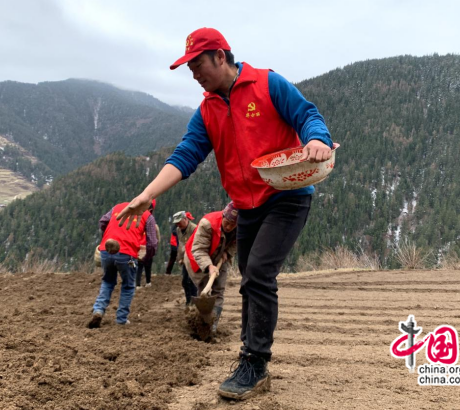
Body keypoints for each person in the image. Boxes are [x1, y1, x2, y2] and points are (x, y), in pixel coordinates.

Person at [115, 27, 333, 400]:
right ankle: (251, 358)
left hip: (287, 194)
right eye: (189, 68)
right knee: (250, 277)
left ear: (220, 56)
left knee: (259, 274)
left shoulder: (267, 84)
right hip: (246, 207)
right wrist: (146, 195)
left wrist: (317, 139)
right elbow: (185, 156)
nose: (194, 73)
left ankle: (255, 364)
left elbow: (307, 115)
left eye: (198, 63)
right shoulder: (207, 110)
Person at [88, 201, 157, 328]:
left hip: (106, 250)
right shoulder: (148, 216)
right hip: (128, 254)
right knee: (128, 285)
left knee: (107, 281)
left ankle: (98, 310)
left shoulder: (117, 207)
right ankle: (121, 319)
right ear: (150, 208)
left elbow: (103, 222)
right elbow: (152, 243)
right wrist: (146, 258)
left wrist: (108, 235)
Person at [184, 202, 237, 335]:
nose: (229, 227)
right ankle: (201, 324)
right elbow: (198, 249)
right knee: (204, 287)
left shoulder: (241, 226)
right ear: (223, 215)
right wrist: (209, 266)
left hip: (220, 256)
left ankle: (212, 326)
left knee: (218, 290)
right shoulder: (207, 224)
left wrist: (227, 252)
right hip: (197, 256)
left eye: (233, 224)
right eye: (227, 222)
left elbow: (238, 243)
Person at [172, 211, 198, 306]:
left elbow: (196, 245)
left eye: (179, 222)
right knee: (185, 281)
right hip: (184, 259)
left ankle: (194, 302)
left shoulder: (194, 229)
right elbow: (181, 245)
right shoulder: (178, 230)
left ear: (185, 219)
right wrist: (181, 257)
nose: (178, 224)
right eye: (176, 223)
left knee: (192, 281)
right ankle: (188, 301)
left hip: (193, 258)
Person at [136, 200, 159, 289]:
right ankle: (148, 282)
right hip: (147, 246)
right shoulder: (149, 218)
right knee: (147, 265)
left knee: (139, 266)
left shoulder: (138, 216)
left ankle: (137, 284)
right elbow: (155, 237)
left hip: (139, 246)